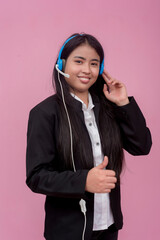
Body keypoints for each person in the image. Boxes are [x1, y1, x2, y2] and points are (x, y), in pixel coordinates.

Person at [26, 33, 152, 240]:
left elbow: (142, 146)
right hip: (68, 232)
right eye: (79, 61)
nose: (87, 70)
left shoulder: (109, 108)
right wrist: (84, 181)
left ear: (100, 69)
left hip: (109, 228)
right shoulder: (44, 113)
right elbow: (36, 177)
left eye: (94, 63)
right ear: (62, 64)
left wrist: (123, 103)